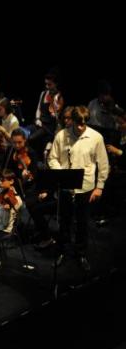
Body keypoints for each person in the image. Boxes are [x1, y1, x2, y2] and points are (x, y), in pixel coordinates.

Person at [47, 106, 109, 271]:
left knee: (82, 223)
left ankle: (80, 253)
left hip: (86, 188)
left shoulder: (96, 138)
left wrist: (100, 187)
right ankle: (62, 251)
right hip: (66, 187)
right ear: (72, 121)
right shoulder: (62, 136)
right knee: (64, 222)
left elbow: (103, 164)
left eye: (84, 124)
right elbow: (52, 158)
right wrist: (61, 174)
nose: (81, 127)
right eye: (78, 124)